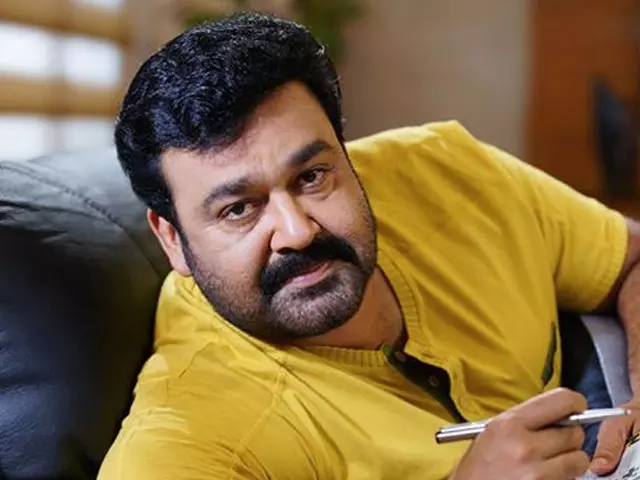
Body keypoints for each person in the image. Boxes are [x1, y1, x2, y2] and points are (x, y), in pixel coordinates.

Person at [98, 11, 640, 480]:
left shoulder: (448, 168)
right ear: (172, 241)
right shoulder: (187, 440)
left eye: (312, 176)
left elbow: (631, 256)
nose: (297, 231)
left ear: (349, 155)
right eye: (238, 209)